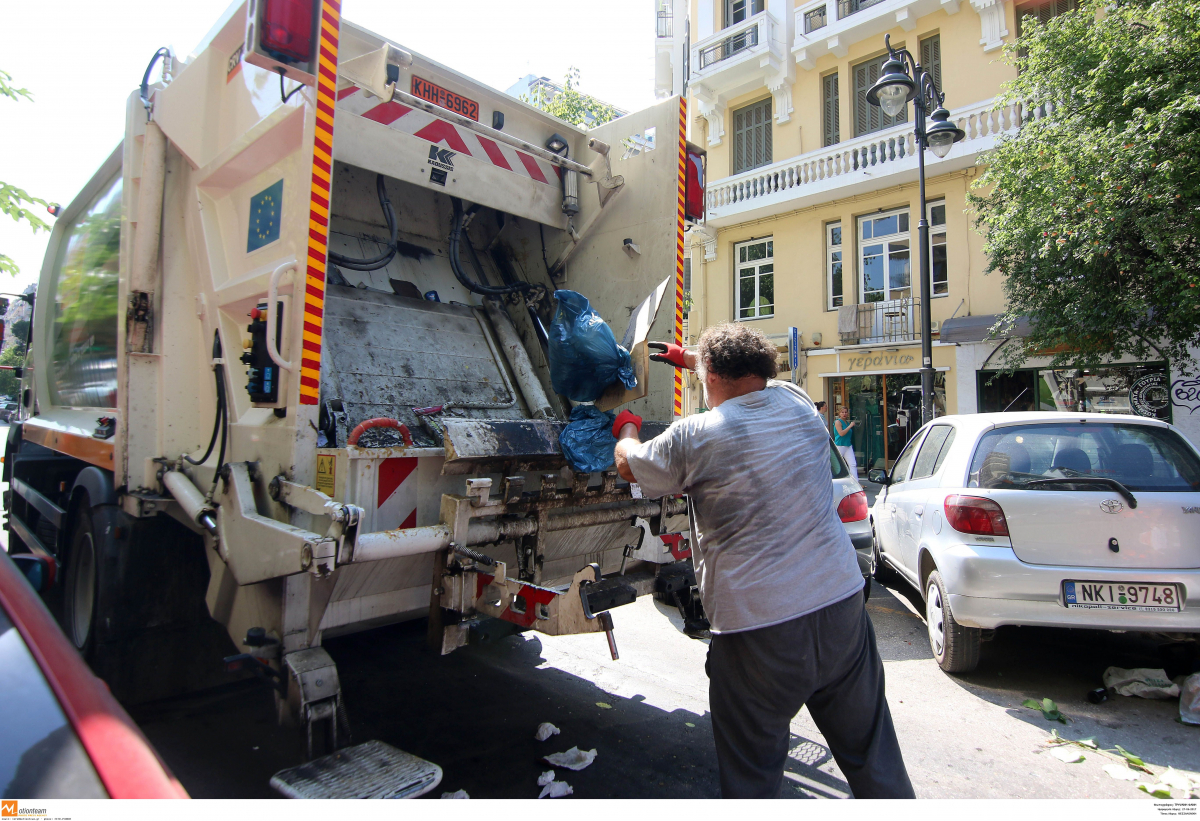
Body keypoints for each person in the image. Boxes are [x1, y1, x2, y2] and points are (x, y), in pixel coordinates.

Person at [628, 327, 914, 799]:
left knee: (752, 776)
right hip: (841, 605)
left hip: (757, 632)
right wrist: (689, 357)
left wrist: (627, 430)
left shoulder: (694, 436)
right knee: (873, 756)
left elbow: (632, 466)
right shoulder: (798, 403)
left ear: (711, 375)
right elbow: (755, 375)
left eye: (703, 372)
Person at [833, 406, 858, 476]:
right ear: (839, 413)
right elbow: (841, 433)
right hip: (840, 445)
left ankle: (856, 482)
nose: (844, 414)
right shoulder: (837, 422)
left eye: (846, 412)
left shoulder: (847, 422)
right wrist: (850, 426)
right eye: (842, 412)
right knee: (837, 465)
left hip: (848, 445)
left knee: (853, 464)